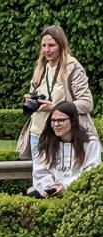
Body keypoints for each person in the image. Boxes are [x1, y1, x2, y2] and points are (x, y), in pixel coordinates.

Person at [23, 25, 98, 159]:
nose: (47, 50)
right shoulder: (40, 66)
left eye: (51, 45)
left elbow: (87, 103)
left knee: (63, 178)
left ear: (61, 45)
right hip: (37, 134)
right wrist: (32, 100)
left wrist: (56, 107)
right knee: (40, 178)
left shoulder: (72, 67)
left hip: (62, 136)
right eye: (44, 45)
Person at [30, 101, 101, 198]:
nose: (56, 124)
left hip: (80, 195)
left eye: (61, 120)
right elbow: (40, 172)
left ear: (73, 121)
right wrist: (47, 187)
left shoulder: (90, 142)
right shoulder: (45, 143)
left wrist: (66, 186)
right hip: (50, 197)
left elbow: (91, 171)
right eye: (53, 120)